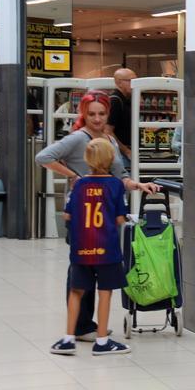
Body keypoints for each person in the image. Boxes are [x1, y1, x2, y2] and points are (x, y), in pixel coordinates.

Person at [37, 91, 158, 343]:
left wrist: (137, 185)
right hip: (83, 216)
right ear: (84, 113)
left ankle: (87, 325)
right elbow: (43, 157)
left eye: (101, 114)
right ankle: (81, 327)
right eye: (91, 114)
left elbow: (120, 174)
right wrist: (73, 175)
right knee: (81, 270)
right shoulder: (77, 139)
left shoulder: (109, 140)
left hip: (102, 218)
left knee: (94, 269)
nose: (96, 119)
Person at [50, 138, 132, 356]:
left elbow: (67, 215)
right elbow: (120, 219)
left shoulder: (79, 185)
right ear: (112, 158)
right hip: (107, 250)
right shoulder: (115, 185)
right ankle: (103, 341)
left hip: (81, 249)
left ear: (86, 159)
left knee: (76, 291)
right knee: (105, 292)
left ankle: (68, 339)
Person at [106, 68, 137, 163]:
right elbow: (108, 132)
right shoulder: (115, 101)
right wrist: (126, 151)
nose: (134, 84)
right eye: (131, 81)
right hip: (120, 155)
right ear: (119, 83)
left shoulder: (126, 100)